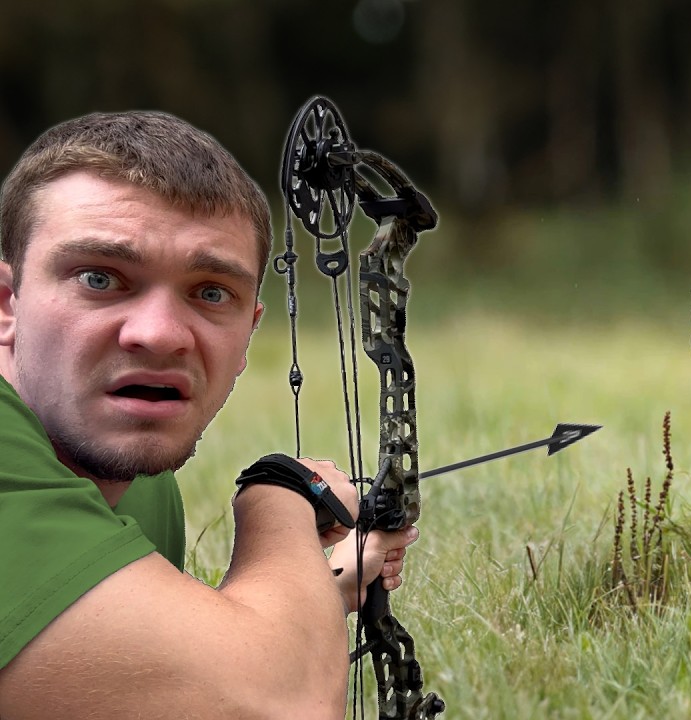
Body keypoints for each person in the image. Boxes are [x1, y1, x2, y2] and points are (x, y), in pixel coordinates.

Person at [0, 111, 417, 719]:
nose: (160, 334)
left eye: (211, 292)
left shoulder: (137, 478)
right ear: (7, 305)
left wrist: (313, 595)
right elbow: (279, 705)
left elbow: (153, 680)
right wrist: (280, 496)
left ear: (249, 331)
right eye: (99, 278)